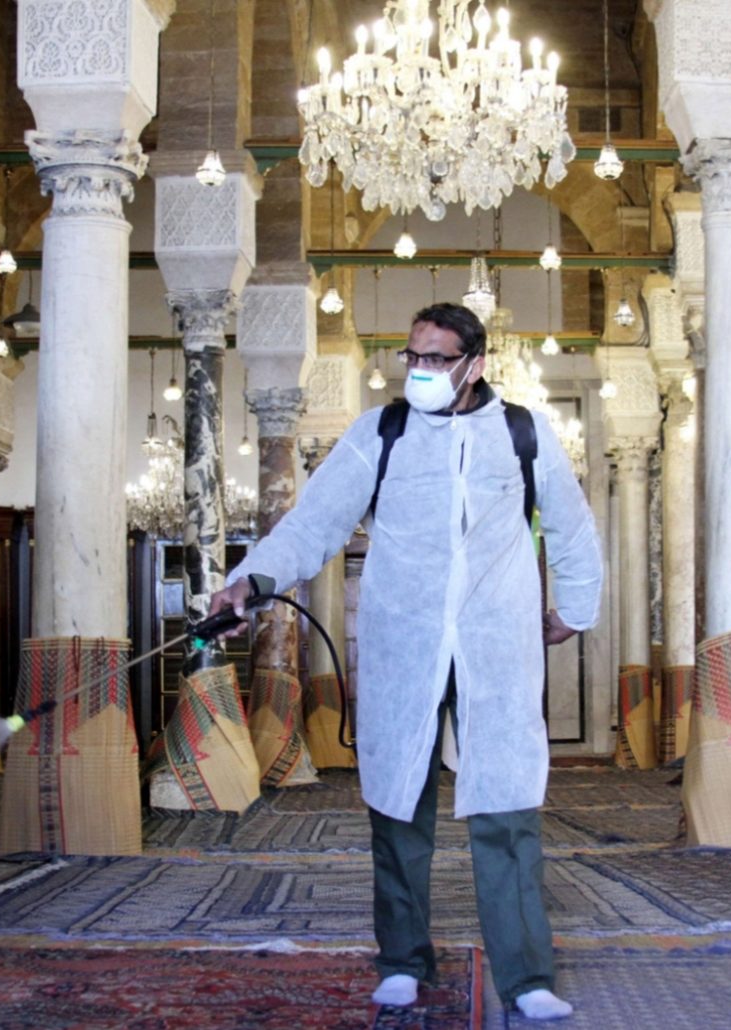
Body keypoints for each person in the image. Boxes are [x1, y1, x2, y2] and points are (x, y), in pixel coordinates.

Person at [210, 302, 603, 1021]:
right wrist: (251, 581)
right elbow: (315, 522)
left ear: (474, 365)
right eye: (412, 356)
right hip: (404, 645)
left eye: (436, 359)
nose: (419, 370)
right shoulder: (380, 433)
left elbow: (572, 527)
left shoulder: (522, 433)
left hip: (494, 648)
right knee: (397, 802)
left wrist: (574, 609)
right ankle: (401, 961)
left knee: (507, 805)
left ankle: (526, 976)